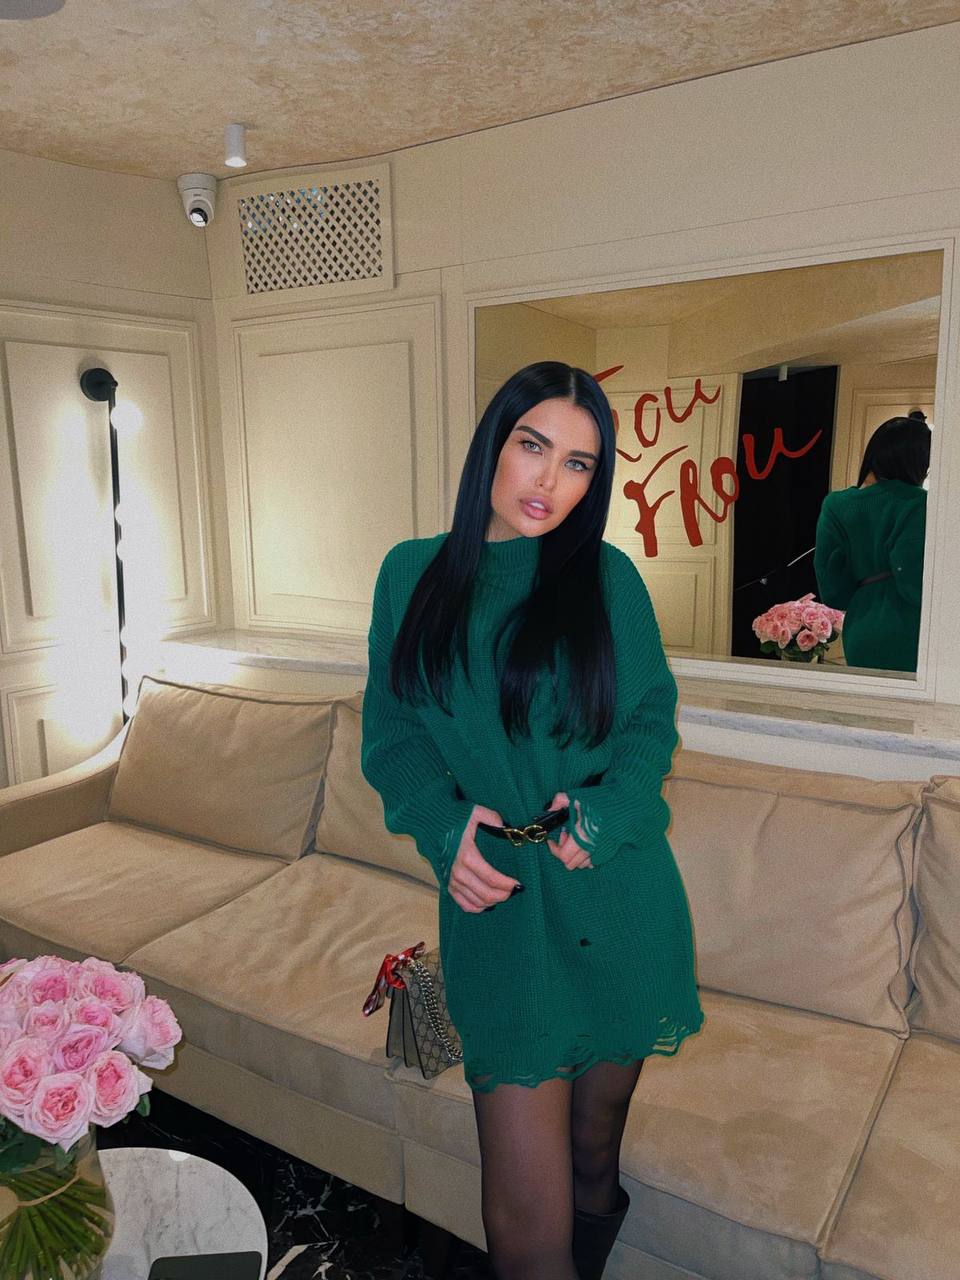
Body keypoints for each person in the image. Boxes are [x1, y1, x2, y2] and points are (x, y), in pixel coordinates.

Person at [360, 361, 704, 1280]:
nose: (550, 480)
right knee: (522, 1219)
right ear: (493, 446)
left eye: (579, 464)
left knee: (594, 1153)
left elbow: (649, 718)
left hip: (616, 898)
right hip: (498, 912)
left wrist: (609, 812)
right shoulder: (410, 576)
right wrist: (445, 832)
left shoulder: (606, 579)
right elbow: (393, 740)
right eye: (533, 446)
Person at [814, 412, 931, 672]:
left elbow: (833, 590)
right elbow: (914, 583)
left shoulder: (835, 505)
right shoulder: (919, 502)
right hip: (909, 625)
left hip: (861, 628)